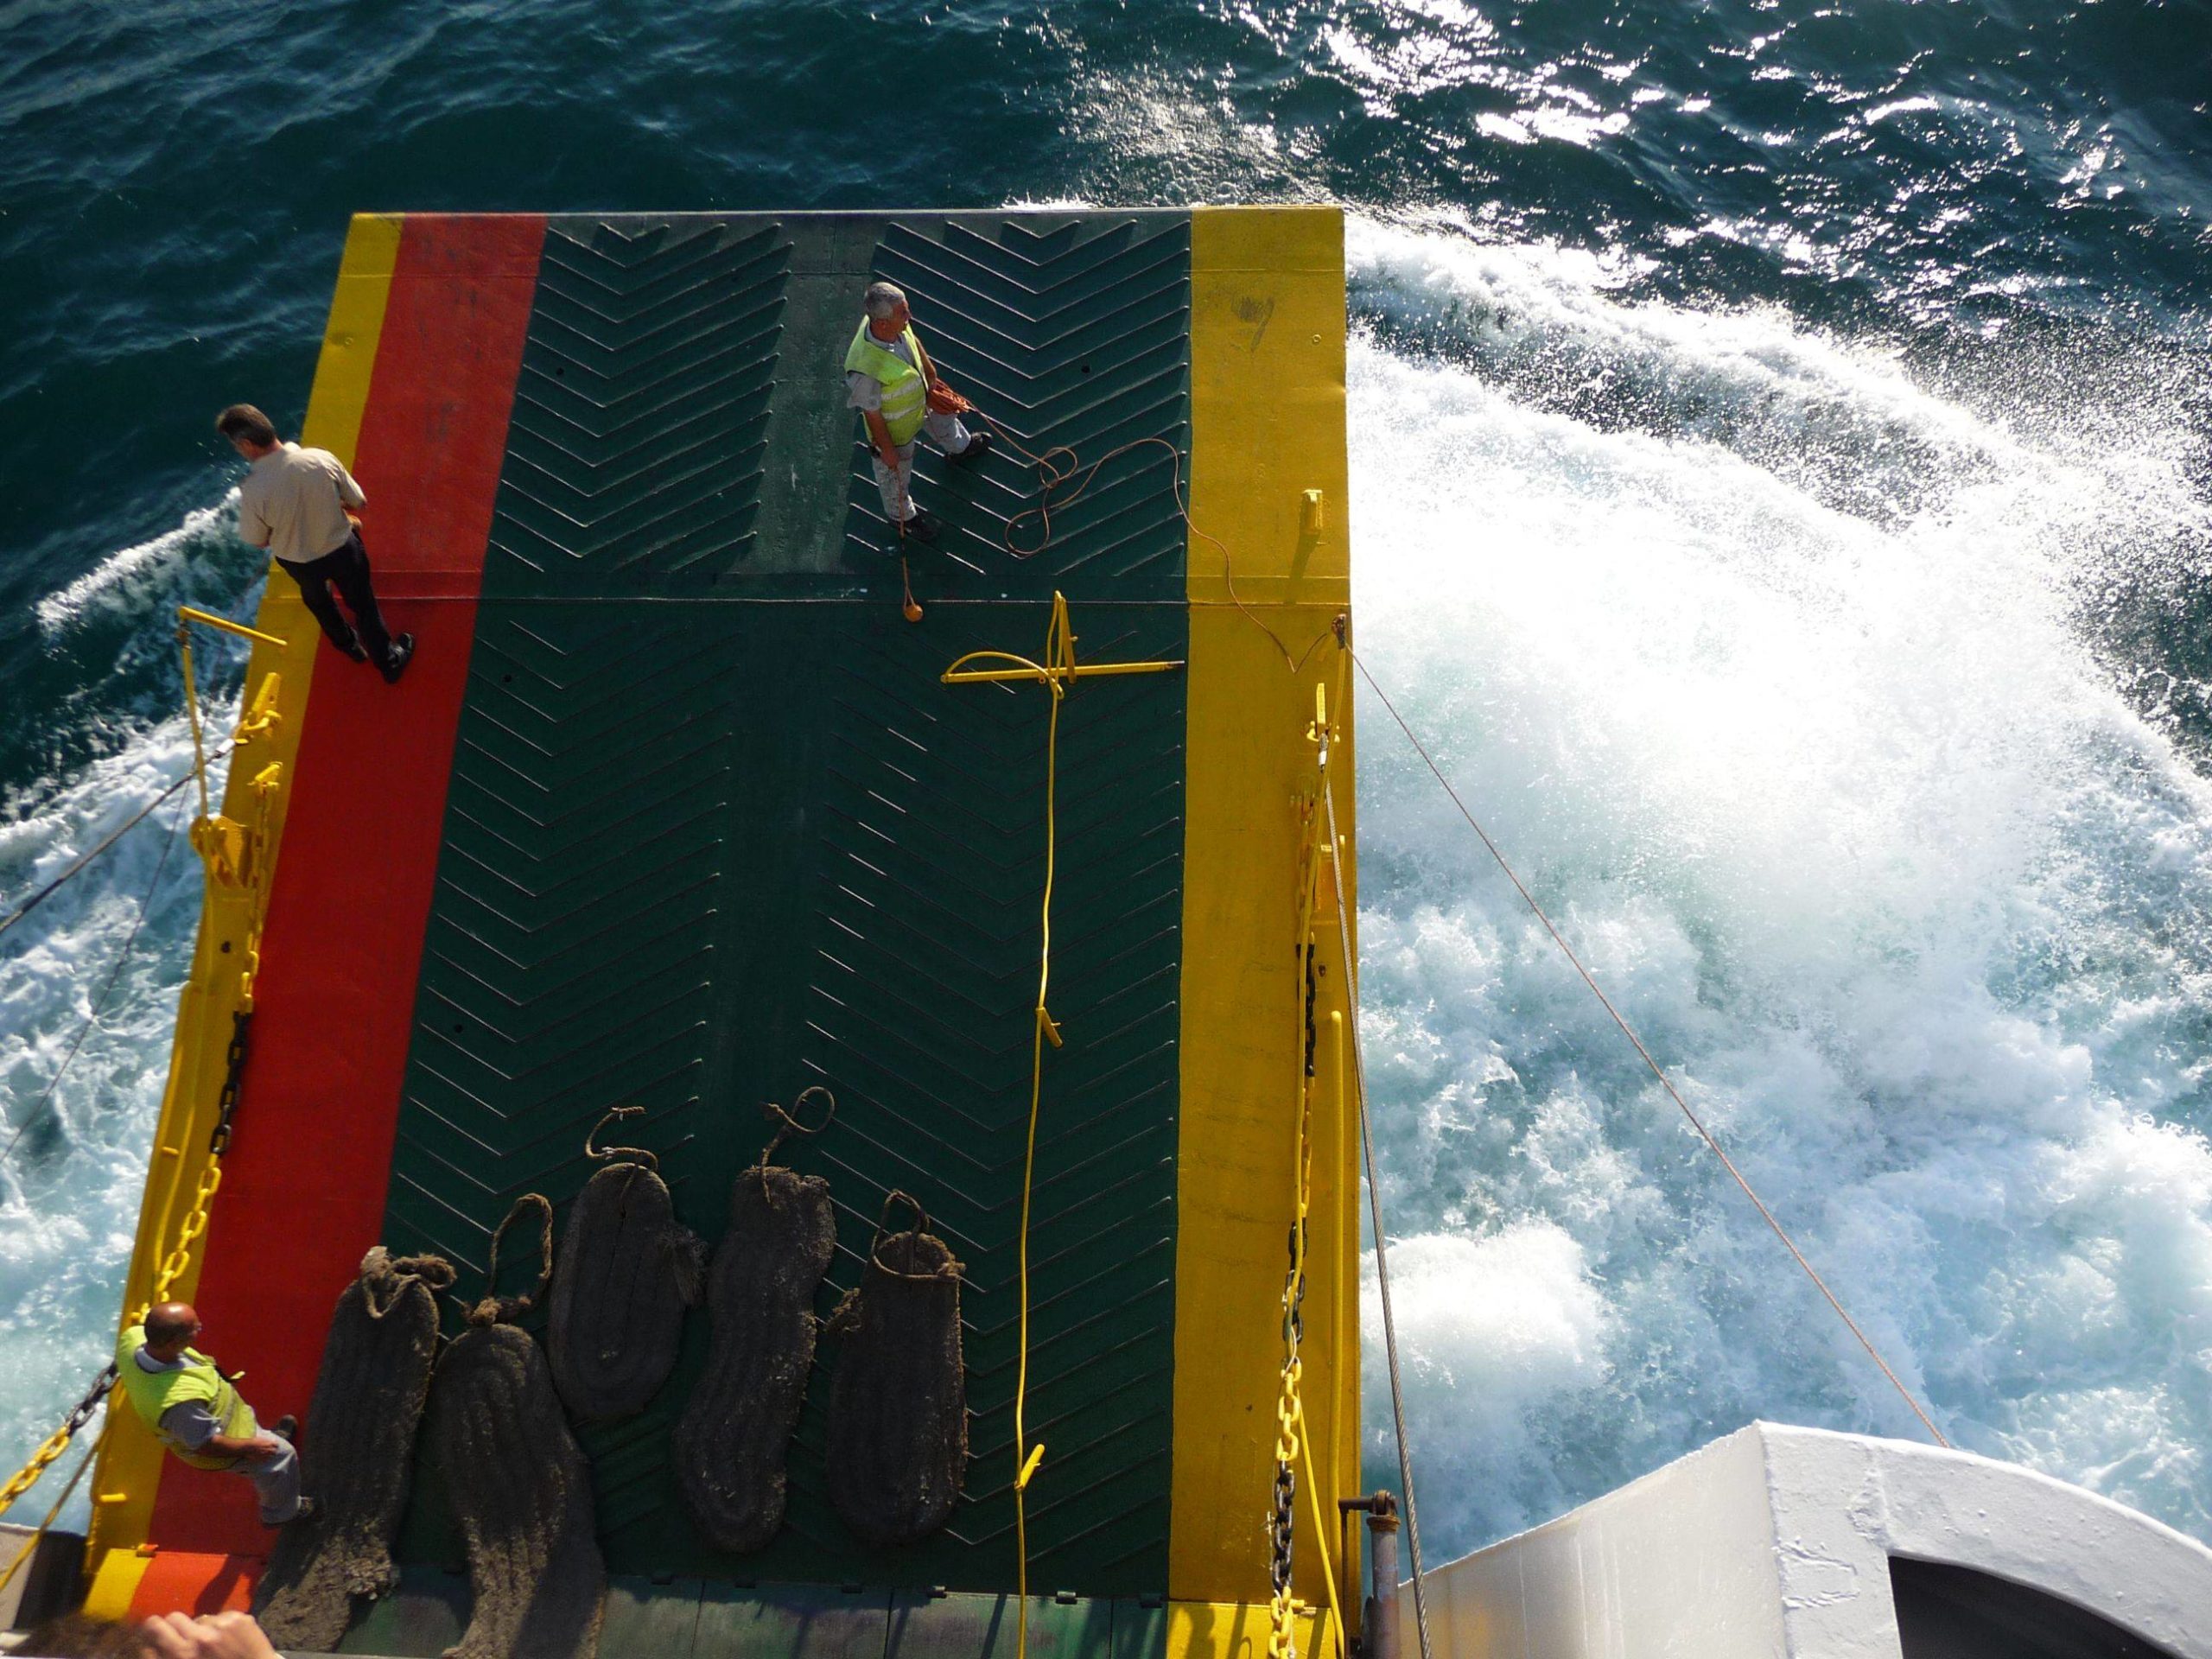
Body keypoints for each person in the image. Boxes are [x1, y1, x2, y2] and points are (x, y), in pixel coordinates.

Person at [216, 404, 413, 684]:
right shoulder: (321, 459)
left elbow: (258, 541)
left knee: (319, 601)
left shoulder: (252, 489)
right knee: (364, 606)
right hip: (342, 550)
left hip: (299, 563)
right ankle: (388, 662)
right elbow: (359, 501)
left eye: (237, 446)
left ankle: (350, 647)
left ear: (247, 444)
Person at [114, 1302, 310, 1528]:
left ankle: (264, 1438)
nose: (200, 1328)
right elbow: (204, 1444)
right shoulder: (179, 1403)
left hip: (230, 1420)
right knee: (280, 1458)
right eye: (195, 1329)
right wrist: (250, 1447)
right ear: (173, 1343)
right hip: (224, 1440)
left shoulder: (133, 1337)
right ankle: (282, 1513)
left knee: (264, 1439)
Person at [843, 283, 991, 543]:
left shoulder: (896, 323)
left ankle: (961, 448)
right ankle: (903, 517)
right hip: (896, 430)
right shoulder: (864, 368)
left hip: (923, 399)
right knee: (895, 478)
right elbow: (872, 414)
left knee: (947, 423)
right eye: (903, 313)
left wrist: (931, 376)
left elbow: (913, 339)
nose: (909, 317)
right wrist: (888, 450)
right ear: (883, 323)